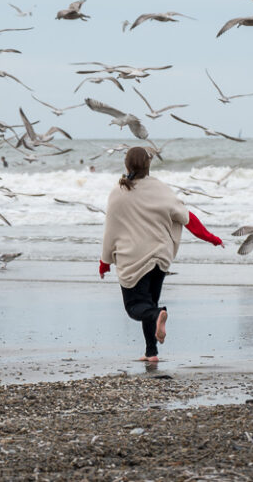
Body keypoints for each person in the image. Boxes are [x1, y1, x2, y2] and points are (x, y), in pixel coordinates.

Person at [99, 146, 224, 362]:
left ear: (127, 165)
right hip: (160, 257)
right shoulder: (162, 189)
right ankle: (151, 353)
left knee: (135, 308)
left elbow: (111, 229)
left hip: (133, 258)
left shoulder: (118, 192)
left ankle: (158, 318)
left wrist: (105, 261)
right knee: (149, 305)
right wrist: (211, 237)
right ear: (149, 166)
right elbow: (187, 217)